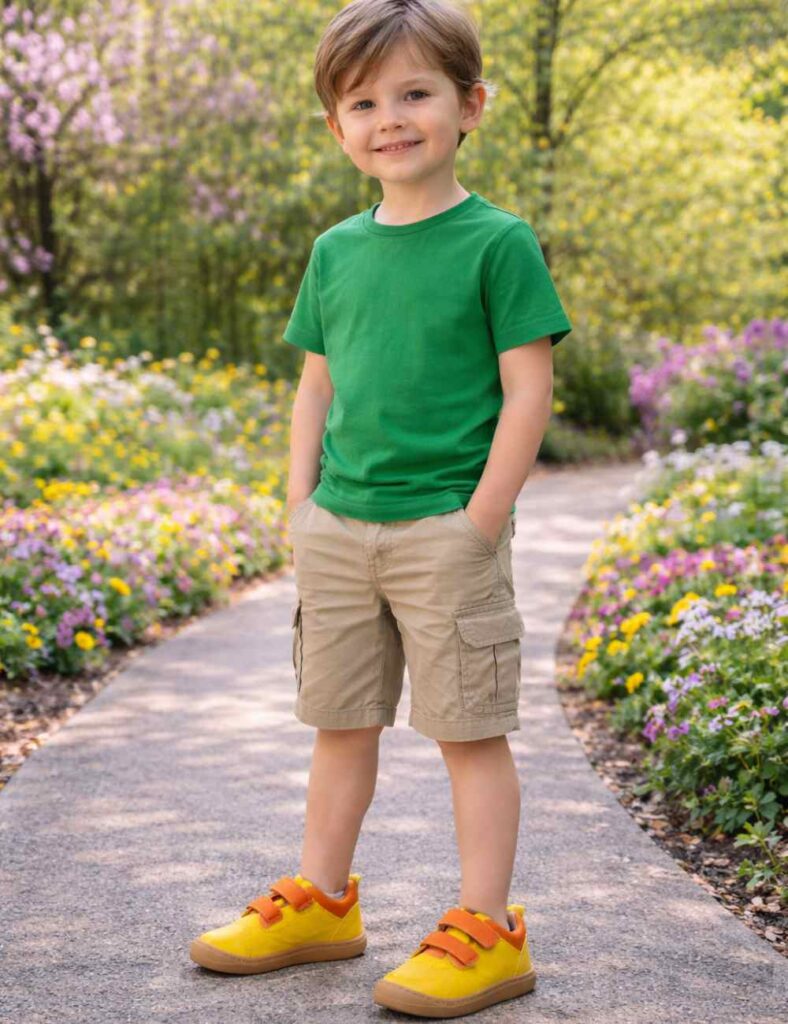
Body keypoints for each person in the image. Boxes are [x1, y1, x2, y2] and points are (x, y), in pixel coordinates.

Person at [190, 0, 572, 1016]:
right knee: (339, 722)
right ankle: (321, 901)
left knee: (466, 731)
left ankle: (485, 927)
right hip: (337, 528)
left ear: (468, 104)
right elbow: (315, 384)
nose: (387, 117)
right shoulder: (334, 250)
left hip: (445, 526)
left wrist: (478, 522)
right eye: (361, 101)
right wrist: (298, 507)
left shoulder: (496, 242)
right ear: (335, 126)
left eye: (413, 93)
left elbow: (526, 389)